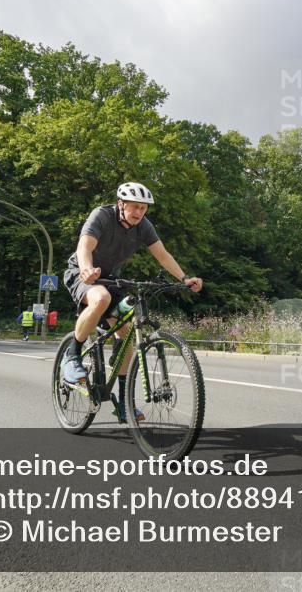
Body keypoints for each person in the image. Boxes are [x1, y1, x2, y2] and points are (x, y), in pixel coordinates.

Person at [61, 181, 202, 423]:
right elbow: (85, 245)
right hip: (82, 273)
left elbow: (162, 255)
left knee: (126, 334)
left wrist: (184, 278)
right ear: (121, 204)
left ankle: (125, 403)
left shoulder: (144, 227)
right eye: (134, 207)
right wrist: (86, 269)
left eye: (143, 208)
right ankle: (72, 356)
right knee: (101, 298)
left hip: (112, 279)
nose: (139, 212)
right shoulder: (102, 216)